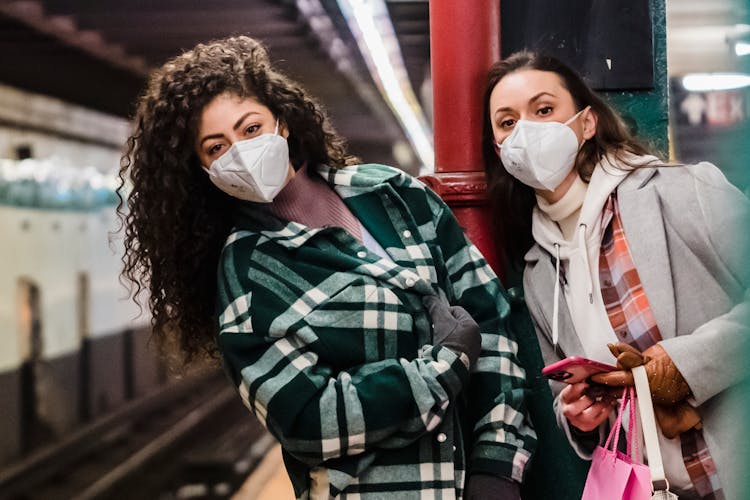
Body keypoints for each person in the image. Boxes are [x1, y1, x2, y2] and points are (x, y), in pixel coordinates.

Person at [119, 36, 536, 499]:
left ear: (283, 122)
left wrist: (497, 463)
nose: (240, 151)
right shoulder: (245, 276)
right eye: (217, 148)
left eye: (251, 128)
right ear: (202, 170)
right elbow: (309, 421)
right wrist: (445, 365)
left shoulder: (393, 195)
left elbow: (491, 318)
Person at [481, 51, 749, 499]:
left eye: (544, 110)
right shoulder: (538, 271)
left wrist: (685, 365)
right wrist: (582, 417)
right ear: (499, 151)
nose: (526, 131)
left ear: (587, 124)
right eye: (507, 123)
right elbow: (571, 395)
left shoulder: (683, 192)